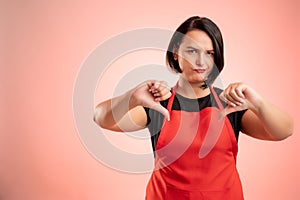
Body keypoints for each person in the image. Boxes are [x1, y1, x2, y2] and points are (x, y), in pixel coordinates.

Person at [93, 16, 293, 200]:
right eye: (192, 51)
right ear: (176, 54)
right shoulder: (157, 104)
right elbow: (100, 117)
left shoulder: (230, 104)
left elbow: (284, 131)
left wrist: (258, 103)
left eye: (209, 53)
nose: (201, 61)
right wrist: (132, 97)